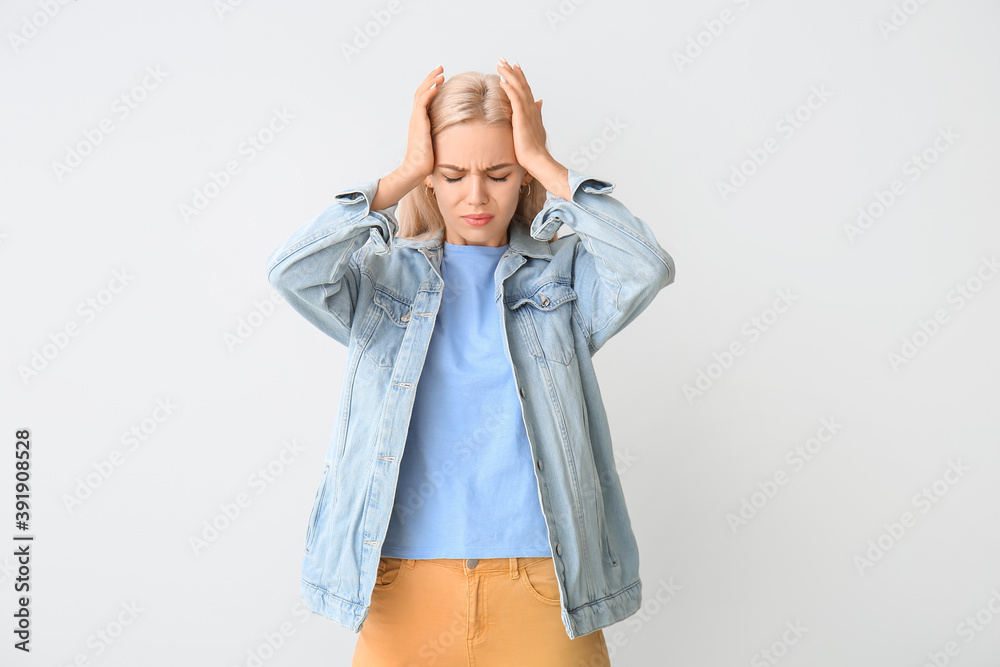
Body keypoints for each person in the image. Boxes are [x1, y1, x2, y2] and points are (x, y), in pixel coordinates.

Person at [265, 58, 676, 666]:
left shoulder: (561, 280)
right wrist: (400, 174)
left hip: (543, 586)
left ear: (521, 180)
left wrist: (549, 165)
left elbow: (649, 266)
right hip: (401, 587)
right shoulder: (385, 283)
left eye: (501, 173)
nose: (476, 196)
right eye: (452, 174)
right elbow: (290, 272)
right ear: (431, 178)